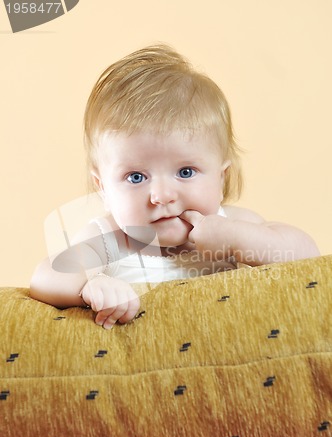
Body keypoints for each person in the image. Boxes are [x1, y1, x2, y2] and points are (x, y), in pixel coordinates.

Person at [30, 44, 320, 329]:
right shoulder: (111, 240)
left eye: (185, 171)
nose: (162, 196)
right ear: (103, 188)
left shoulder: (232, 224)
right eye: (136, 177)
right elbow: (44, 278)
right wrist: (93, 287)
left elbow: (307, 255)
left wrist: (237, 238)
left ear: (221, 179)